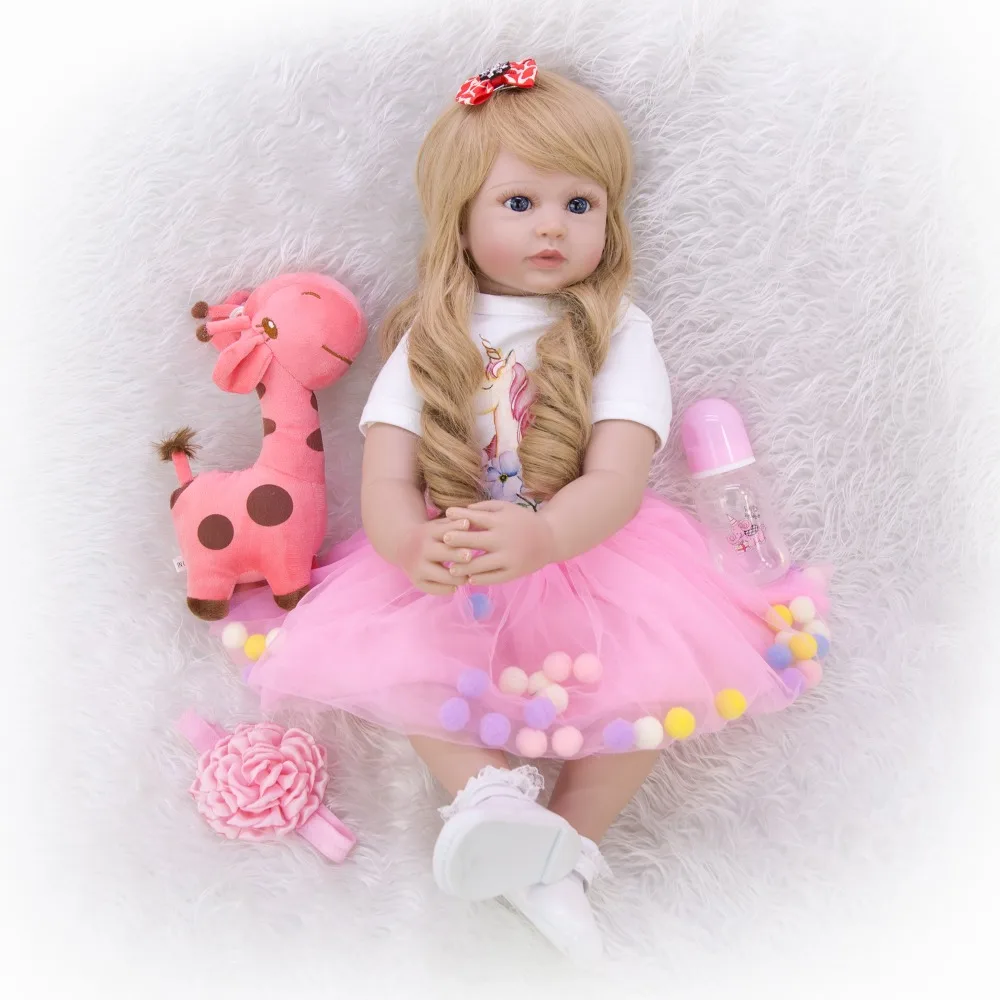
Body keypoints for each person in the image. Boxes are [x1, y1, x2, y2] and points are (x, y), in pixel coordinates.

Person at [215, 59, 829, 962]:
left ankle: (565, 854)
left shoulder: (618, 330)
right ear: (459, 218)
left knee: (647, 696)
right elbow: (385, 478)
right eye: (519, 202)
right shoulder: (431, 336)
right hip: (455, 554)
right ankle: (491, 800)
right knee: (411, 670)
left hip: (591, 554)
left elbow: (618, 477)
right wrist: (408, 544)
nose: (552, 225)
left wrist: (545, 534)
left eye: (580, 204)